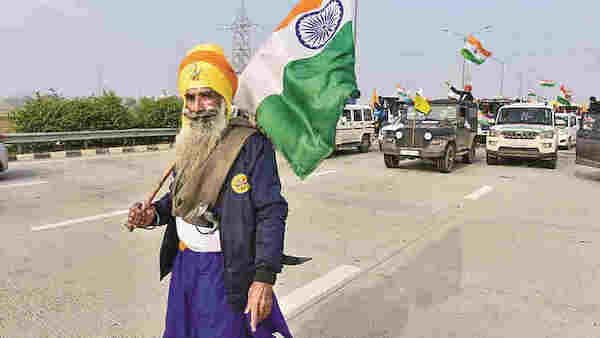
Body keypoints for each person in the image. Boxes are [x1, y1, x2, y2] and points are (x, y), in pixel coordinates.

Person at [126, 44, 295, 338]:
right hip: (185, 266)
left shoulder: (250, 145)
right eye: (190, 97)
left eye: (206, 95)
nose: (196, 105)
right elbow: (179, 200)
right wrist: (153, 215)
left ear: (223, 99)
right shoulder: (189, 141)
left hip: (226, 271)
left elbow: (271, 212)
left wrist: (264, 278)